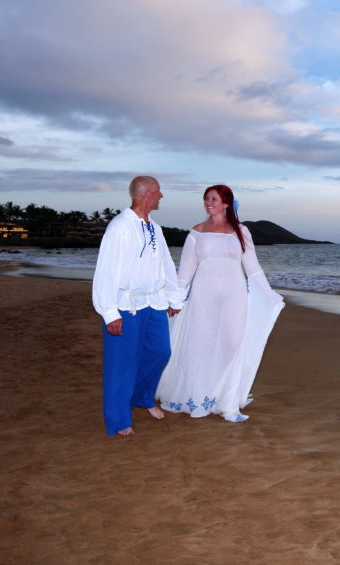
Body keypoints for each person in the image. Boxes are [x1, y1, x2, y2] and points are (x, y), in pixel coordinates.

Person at [156, 184, 284, 422]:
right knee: (201, 346)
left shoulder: (241, 231)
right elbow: (185, 272)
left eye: (213, 199)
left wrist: (270, 295)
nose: (208, 203)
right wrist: (176, 299)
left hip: (234, 296)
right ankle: (201, 397)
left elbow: (253, 269)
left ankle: (228, 403)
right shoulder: (196, 232)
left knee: (233, 345)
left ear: (226, 203)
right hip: (203, 296)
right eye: (206, 199)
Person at [92, 176, 180, 436]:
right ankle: (119, 420)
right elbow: (105, 272)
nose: (161, 196)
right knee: (122, 363)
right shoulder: (120, 227)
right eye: (159, 192)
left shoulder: (155, 227)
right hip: (126, 305)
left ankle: (142, 396)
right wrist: (109, 313)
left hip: (154, 302)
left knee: (161, 352)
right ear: (147, 195)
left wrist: (173, 297)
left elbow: (165, 265)